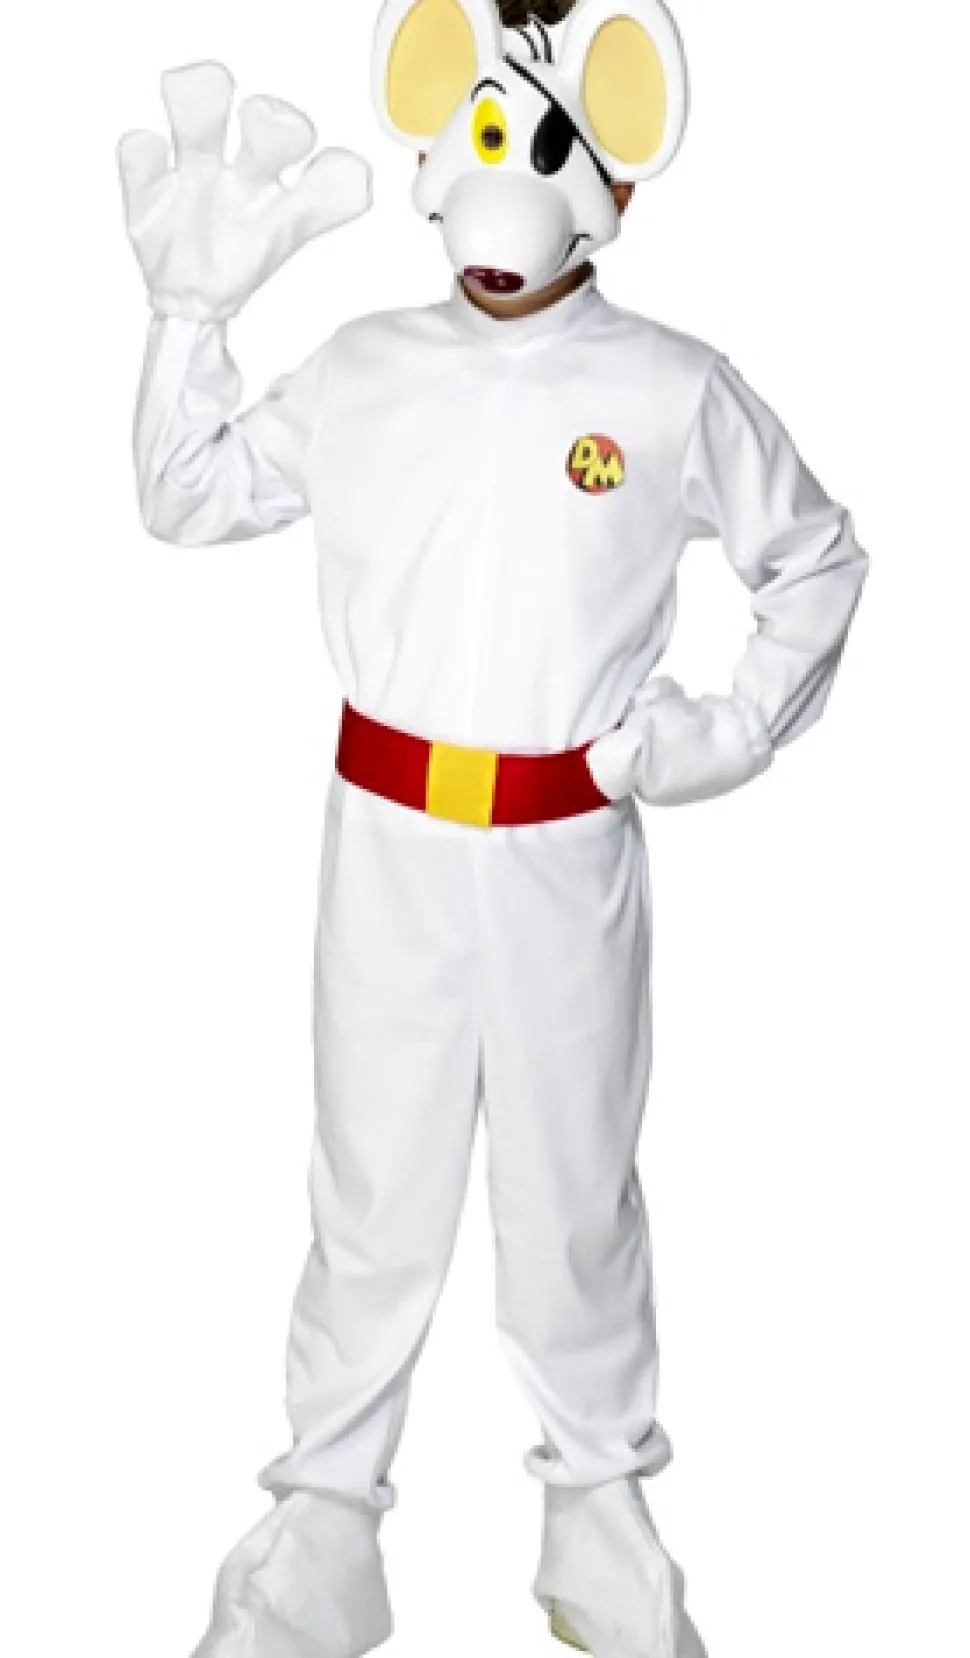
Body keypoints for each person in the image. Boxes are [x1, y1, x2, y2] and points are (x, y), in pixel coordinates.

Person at [117, 2, 868, 1655]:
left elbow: (813, 560)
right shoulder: (365, 368)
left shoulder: (668, 388)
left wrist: (721, 732)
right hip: (383, 838)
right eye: (479, 131)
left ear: (618, 177)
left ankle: (596, 1508)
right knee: (366, 1177)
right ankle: (326, 1514)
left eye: (545, 140)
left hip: (562, 850)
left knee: (572, 1181)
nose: (503, 177)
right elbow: (189, 493)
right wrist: (187, 313)